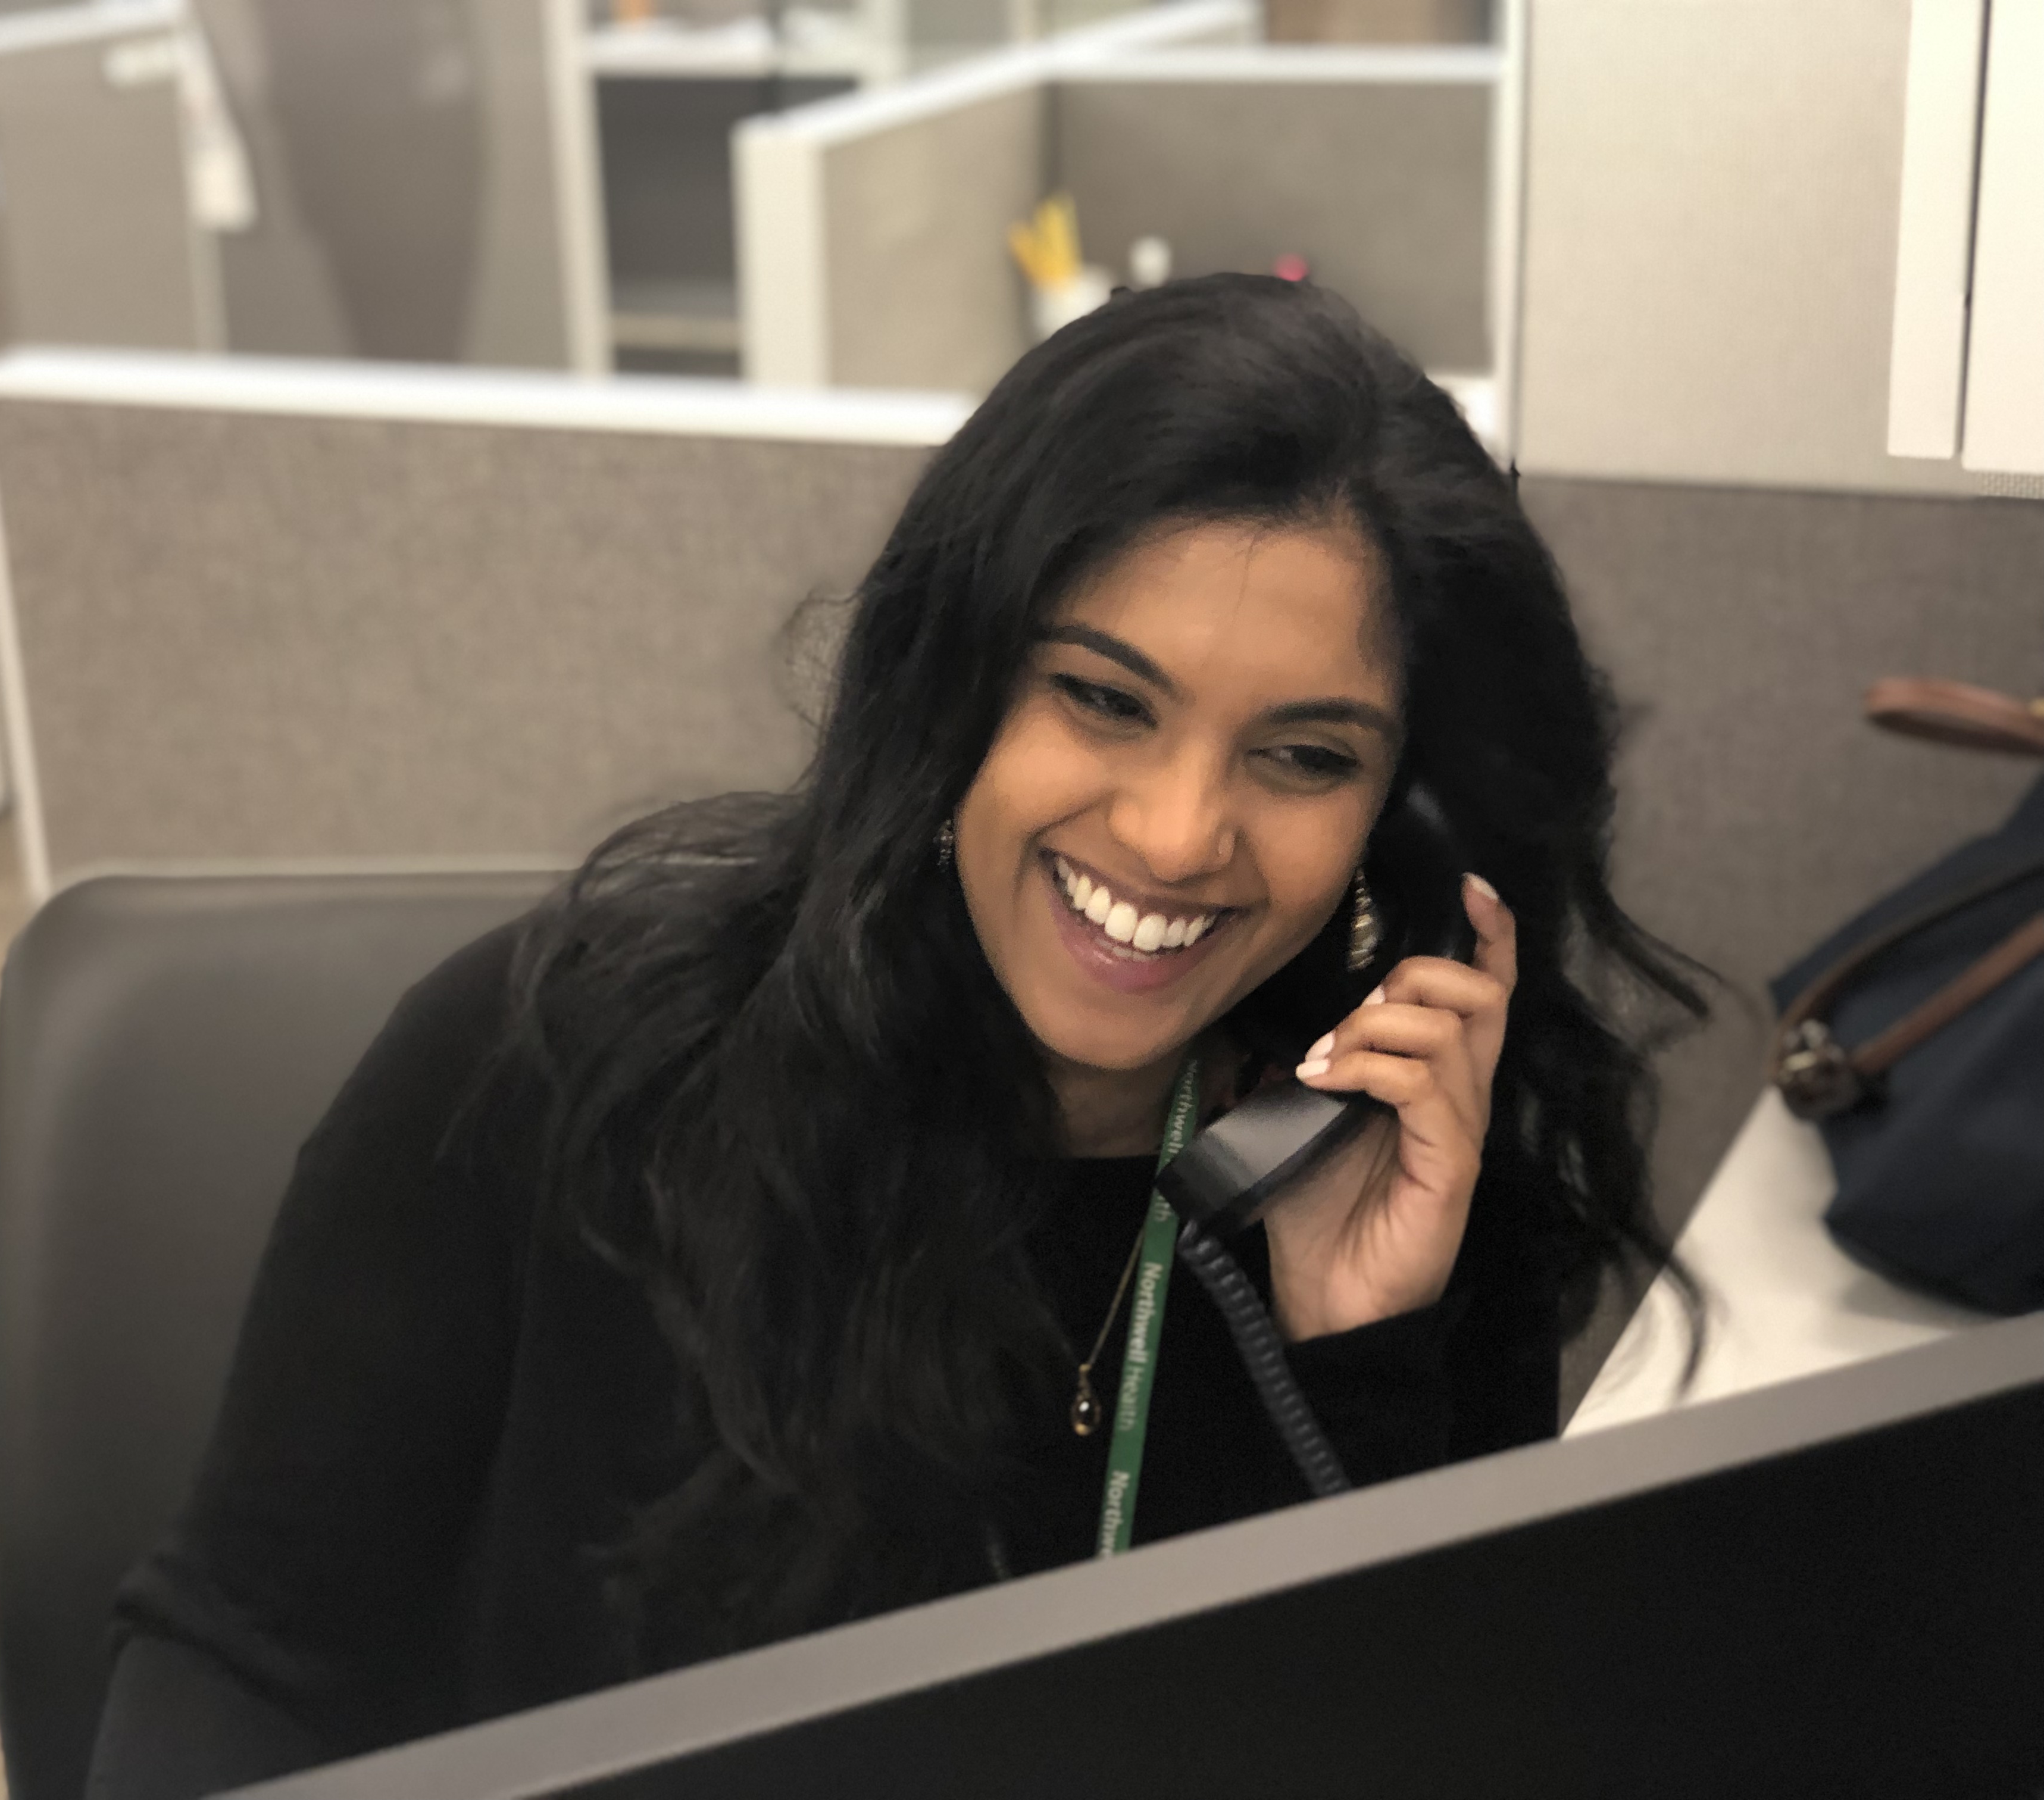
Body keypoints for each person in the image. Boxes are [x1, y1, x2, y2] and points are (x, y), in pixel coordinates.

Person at [87, 275, 1701, 1798]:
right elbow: (240, 1657)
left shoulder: (1403, 1189)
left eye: (1303, 758)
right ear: (958, 689)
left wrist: (1354, 1367)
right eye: (1104, 699)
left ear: (1399, 816)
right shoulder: (560, 1066)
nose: (1176, 834)